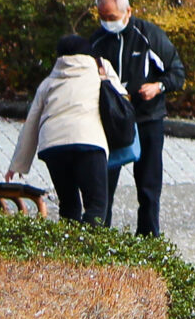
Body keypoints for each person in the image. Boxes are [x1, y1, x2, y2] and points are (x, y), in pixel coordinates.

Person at [90, 0, 185, 237]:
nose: (108, 23)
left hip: (147, 117)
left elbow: (177, 72)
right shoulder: (96, 41)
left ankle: (148, 237)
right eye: (103, 18)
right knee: (104, 184)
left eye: (112, 18)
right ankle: (101, 237)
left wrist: (158, 87)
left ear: (127, 11)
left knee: (148, 185)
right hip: (111, 121)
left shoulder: (149, 35)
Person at [8, 34, 121, 225]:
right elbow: (120, 100)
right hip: (89, 143)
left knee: (68, 205)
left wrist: (18, 164)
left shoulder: (49, 82)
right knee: (96, 205)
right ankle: (87, 250)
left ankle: (67, 249)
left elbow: (31, 123)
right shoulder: (101, 69)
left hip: (53, 147)